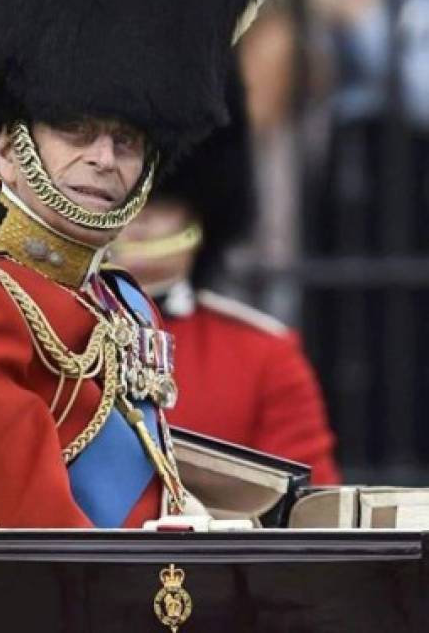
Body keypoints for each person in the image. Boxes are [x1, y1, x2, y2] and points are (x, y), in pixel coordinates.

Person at [0, 0, 272, 528]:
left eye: (125, 139)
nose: (104, 158)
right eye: (74, 130)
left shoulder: (125, 302)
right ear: (8, 144)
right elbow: (40, 532)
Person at [110, 69, 342, 485]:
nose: (137, 224)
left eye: (160, 206)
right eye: (122, 204)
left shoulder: (263, 356)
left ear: (201, 217)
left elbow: (309, 513)